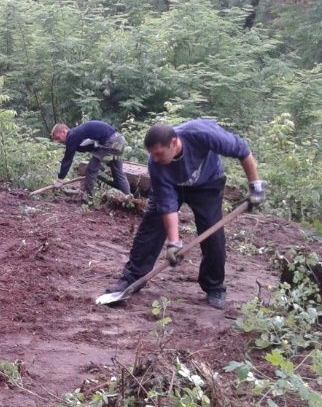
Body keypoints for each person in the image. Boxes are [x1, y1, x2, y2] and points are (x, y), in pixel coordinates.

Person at [104, 120, 266, 309]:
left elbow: (243, 150)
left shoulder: (203, 134)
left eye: (159, 153)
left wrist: (256, 187)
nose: (155, 158)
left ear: (173, 143)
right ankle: (132, 279)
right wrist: (174, 243)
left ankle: (214, 287)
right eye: (152, 154)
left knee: (212, 233)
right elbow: (167, 204)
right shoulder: (156, 165)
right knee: (151, 226)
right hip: (172, 186)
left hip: (208, 183)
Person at [51, 121, 131, 196]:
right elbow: (92, 146)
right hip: (119, 140)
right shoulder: (77, 134)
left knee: (91, 170)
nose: (58, 141)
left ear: (64, 131)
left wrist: (60, 179)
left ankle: (88, 198)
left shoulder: (72, 135)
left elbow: (68, 159)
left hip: (112, 143)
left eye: (58, 138)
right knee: (118, 172)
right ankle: (128, 198)